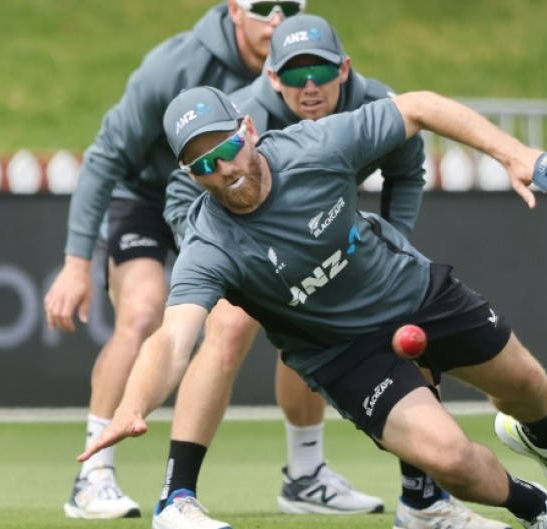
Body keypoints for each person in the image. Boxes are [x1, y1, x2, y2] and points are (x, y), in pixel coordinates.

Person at [78, 85, 547, 529]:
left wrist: (513, 154)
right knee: (452, 460)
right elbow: (173, 338)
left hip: (416, 294)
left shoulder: (317, 146)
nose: (225, 168)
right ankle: (536, 508)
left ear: (249, 130)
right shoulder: (209, 244)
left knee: (527, 386)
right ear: (192, 175)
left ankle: (546, 438)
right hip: (345, 355)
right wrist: (134, 405)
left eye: (229, 146)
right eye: (206, 163)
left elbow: (419, 106)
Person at [157, 14, 510, 529]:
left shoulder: (370, 103)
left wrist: (392, 243)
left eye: (318, 72)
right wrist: (224, 258)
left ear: (342, 70)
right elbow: (183, 194)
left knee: (374, 309)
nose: (308, 85)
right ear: (271, 77)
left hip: (325, 235)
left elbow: (406, 171)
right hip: (223, 226)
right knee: (229, 329)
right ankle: (182, 493)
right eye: (293, 75)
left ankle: (397, 494)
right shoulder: (245, 117)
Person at [43, 0, 378, 520]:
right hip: (151, 202)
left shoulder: (298, 74)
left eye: (289, 7)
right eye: (263, 7)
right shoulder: (172, 66)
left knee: (304, 303)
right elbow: (106, 154)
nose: (277, 18)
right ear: (233, 10)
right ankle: (93, 476)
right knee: (143, 312)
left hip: (236, 203)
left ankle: (306, 476)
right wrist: (74, 260)